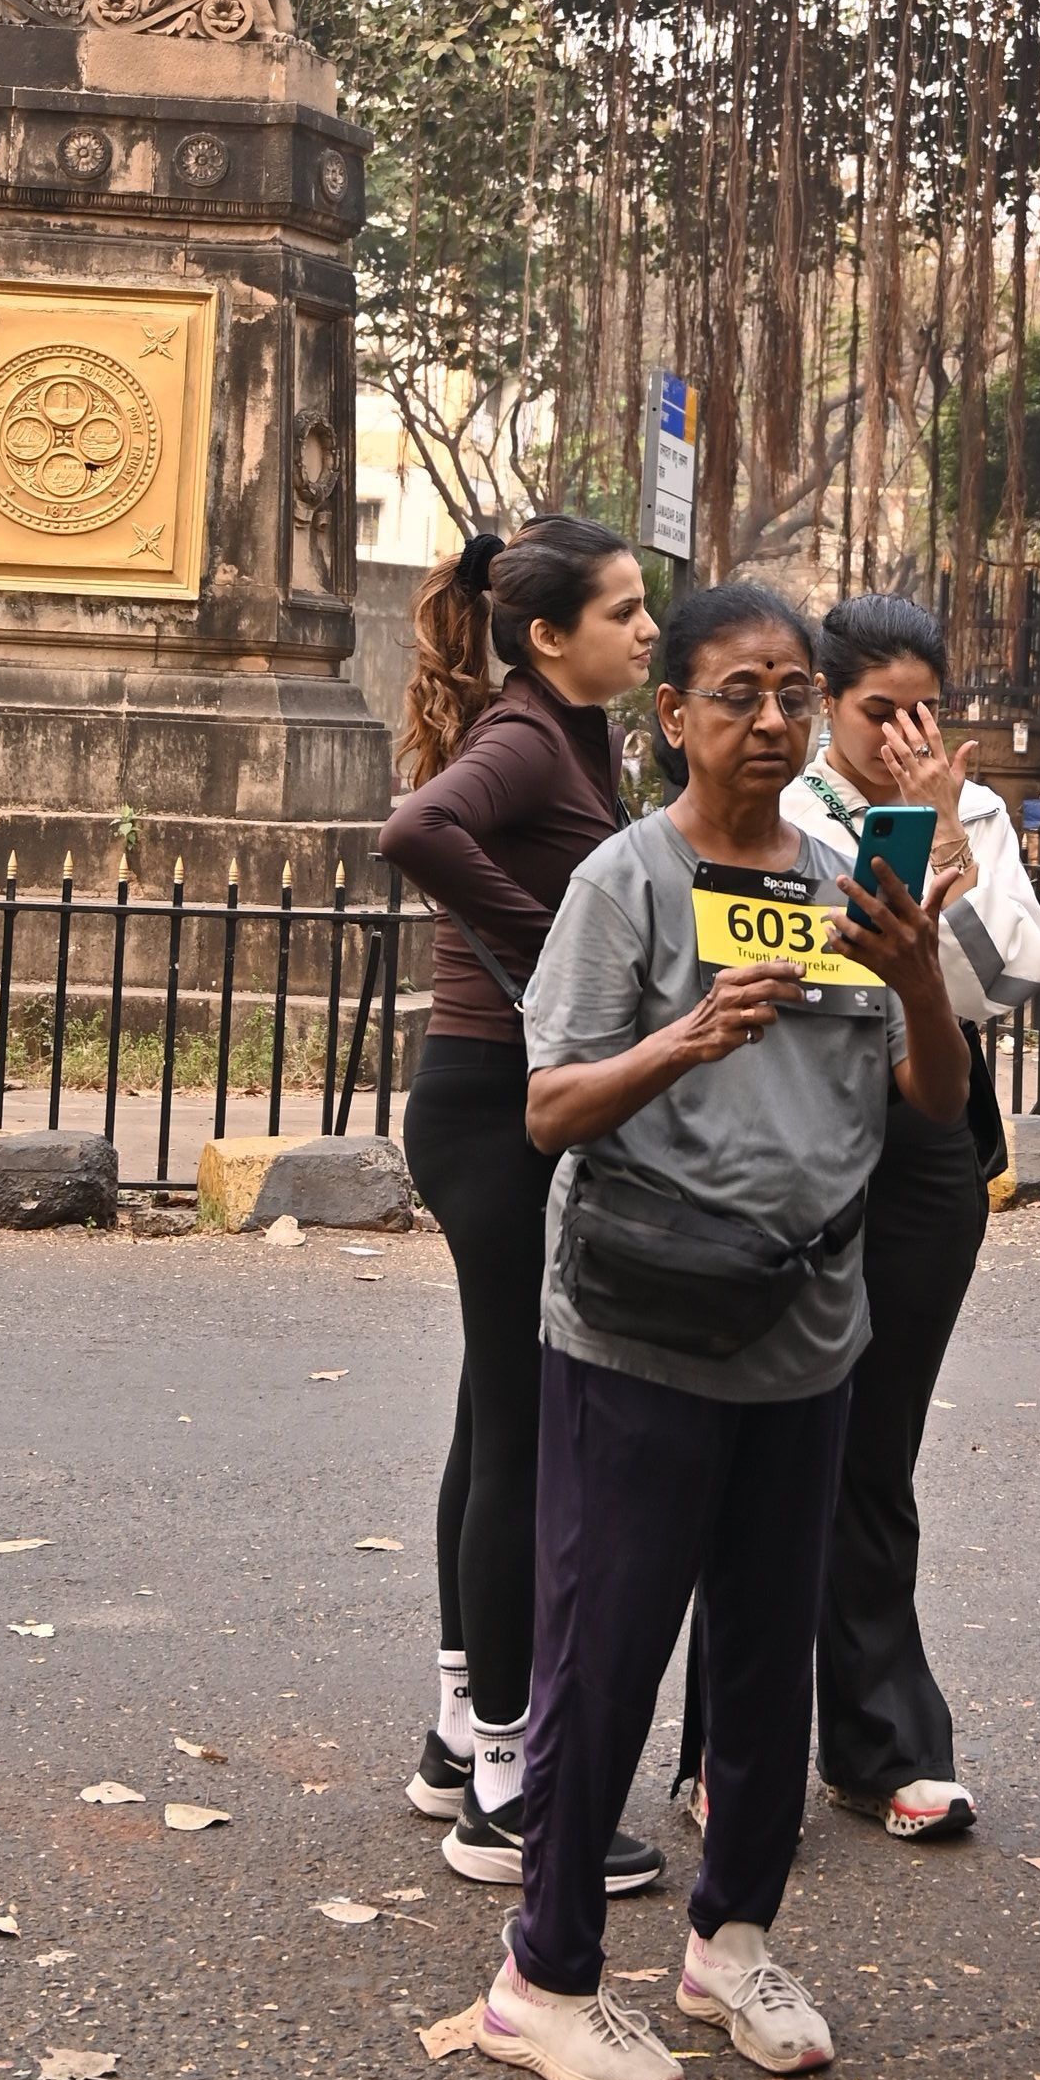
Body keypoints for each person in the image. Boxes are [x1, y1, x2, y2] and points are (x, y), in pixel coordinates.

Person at [478, 583, 971, 2080]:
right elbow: (548, 1109)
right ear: (673, 716)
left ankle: (730, 1941)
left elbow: (934, 1102)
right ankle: (543, 1978)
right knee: (606, 1656)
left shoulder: (843, 885)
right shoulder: (625, 883)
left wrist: (914, 972)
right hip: (642, 1330)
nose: (769, 719)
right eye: (736, 693)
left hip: (807, 1331)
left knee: (764, 1665)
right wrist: (684, 1036)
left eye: (791, 693)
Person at [376, 512, 664, 1899]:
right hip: (495, 1109)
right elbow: (417, 829)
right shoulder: (527, 736)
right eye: (623, 611)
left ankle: (458, 1734)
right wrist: (562, 951)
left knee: (493, 1420)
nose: (647, 631)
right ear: (549, 635)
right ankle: (506, 1782)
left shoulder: (572, 733)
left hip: (495, 1103)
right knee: (526, 1436)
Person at [779, 591, 1040, 1840]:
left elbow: (1007, 980)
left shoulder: (973, 813)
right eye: (876, 712)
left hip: (927, 1132)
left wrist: (943, 835)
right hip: (798, 1128)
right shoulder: (780, 811)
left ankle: (886, 1745)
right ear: (825, 706)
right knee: (768, 1441)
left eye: (923, 712)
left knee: (875, 1446)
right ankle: (731, 1745)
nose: (902, 736)